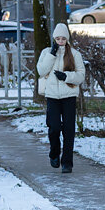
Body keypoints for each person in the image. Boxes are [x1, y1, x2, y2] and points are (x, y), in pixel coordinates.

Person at [37, 23, 86, 173]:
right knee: (54, 128)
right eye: (57, 38)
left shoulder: (75, 54)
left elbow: (81, 76)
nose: (60, 41)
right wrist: (52, 54)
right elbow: (41, 70)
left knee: (69, 130)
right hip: (52, 96)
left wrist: (66, 76)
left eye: (63, 39)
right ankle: (54, 153)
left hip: (69, 95)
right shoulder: (47, 52)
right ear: (54, 38)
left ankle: (67, 163)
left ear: (67, 39)